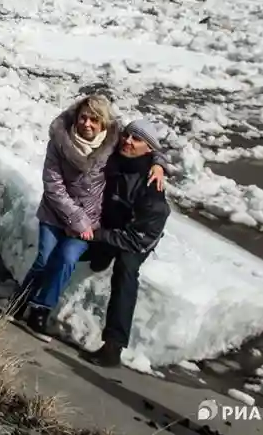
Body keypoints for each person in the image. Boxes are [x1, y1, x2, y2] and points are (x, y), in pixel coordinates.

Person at [6, 95, 166, 341]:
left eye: (95, 119)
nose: (87, 124)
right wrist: (76, 220)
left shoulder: (114, 142)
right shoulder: (60, 141)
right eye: (84, 117)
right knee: (43, 258)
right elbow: (53, 185)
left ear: (104, 124)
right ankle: (18, 302)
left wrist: (158, 163)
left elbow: (145, 141)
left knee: (67, 257)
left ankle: (40, 311)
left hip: (89, 221)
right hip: (56, 213)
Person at [81, 119, 171, 368]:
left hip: (137, 238)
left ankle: (113, 347)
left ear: (149, 149)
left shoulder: (152, 190)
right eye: (127, 135)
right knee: (77, 250)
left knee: (126, 269)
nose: (128, 141)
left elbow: (136, 238)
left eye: (136, 139)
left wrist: (98, 235)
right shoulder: (116, 157)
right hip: (107, 224)